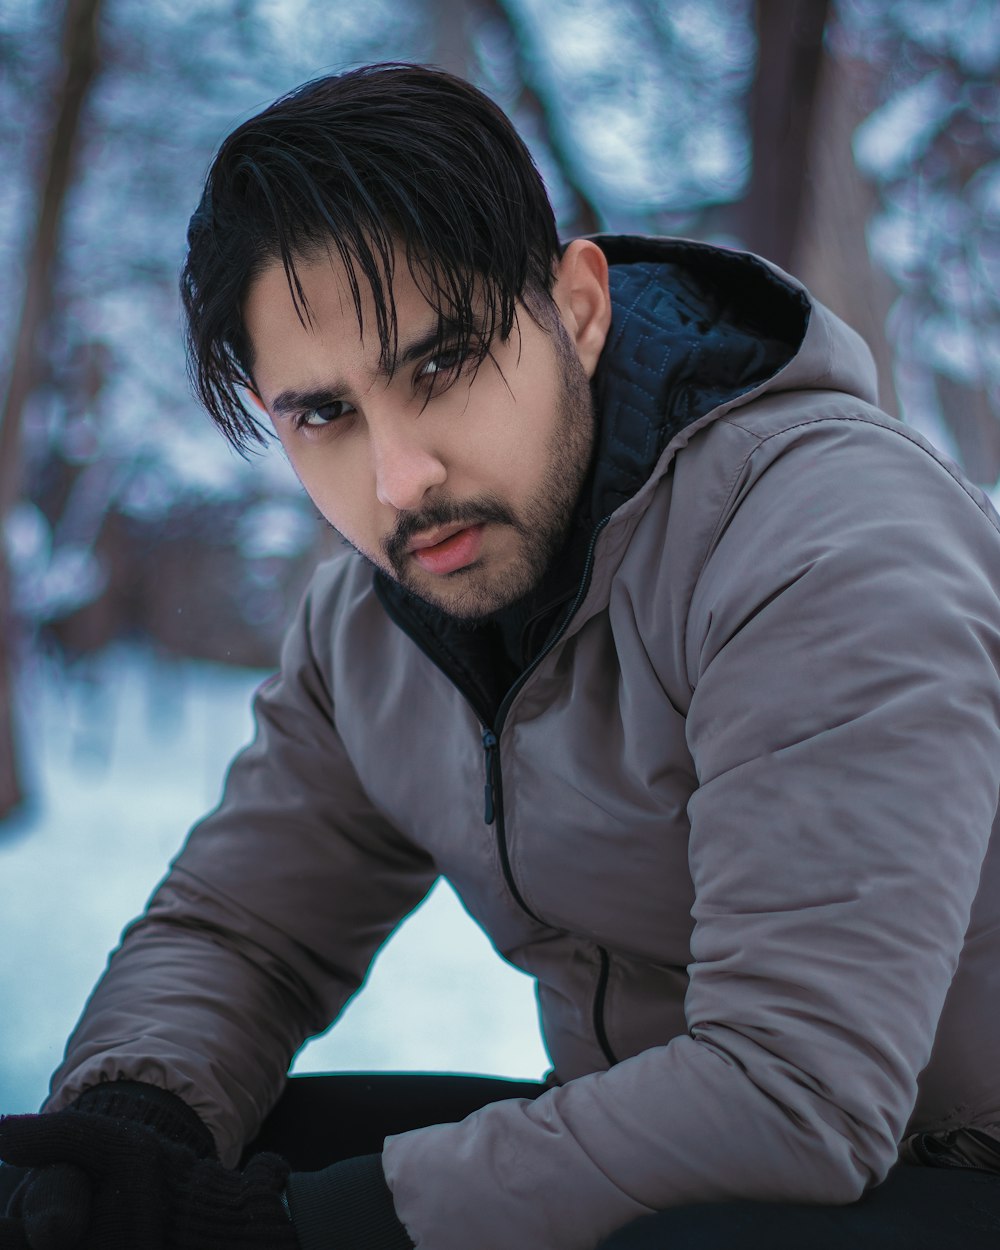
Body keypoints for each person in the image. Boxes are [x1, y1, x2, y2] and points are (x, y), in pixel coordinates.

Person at [3, 61, 1000, 1250]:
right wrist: (135, 1125)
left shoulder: (821, 541)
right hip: (736, 1157)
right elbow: (240, 932)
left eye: (442, 364)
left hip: (925, 1156)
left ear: (576, 310)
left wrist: (303, 1228)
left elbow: (795, 1090)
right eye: (324, 413)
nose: (398, 479)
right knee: (157, 1170)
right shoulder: (371, 623)